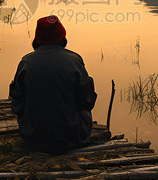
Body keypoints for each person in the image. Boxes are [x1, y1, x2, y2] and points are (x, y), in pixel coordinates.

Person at [9, 15, 97, 154]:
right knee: (85, 113)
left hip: (32, 135)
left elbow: (17, 105)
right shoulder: (74, 61)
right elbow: (87, 101)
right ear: (63, 37)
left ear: (37, 39)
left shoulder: (26, 62)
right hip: (69, 136)